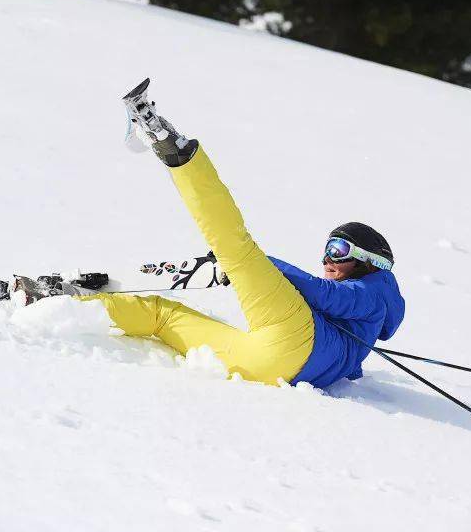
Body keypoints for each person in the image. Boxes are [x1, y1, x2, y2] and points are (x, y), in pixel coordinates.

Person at [81, 79, 405, 390]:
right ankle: (69, 306)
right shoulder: (360, 338)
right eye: (327, 249)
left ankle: (173, 148)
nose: (327, 259)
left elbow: (327, 295)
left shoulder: (376, 290)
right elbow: (346, 356)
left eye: (338, 249)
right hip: (264, 366)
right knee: (162, 316)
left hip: (296, 335)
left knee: (234, 247)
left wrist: (260, 266)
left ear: (369, 261)